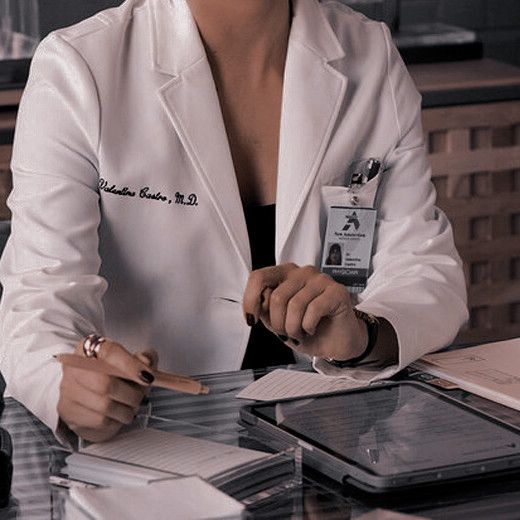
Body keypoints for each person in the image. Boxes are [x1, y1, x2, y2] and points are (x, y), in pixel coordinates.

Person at [0, 0, 468, 443]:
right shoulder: (78, 66)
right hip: (147, 444)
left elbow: (426, 270)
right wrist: (65, 379)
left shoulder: (371, 55)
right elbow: (41, 295)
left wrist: (362, 334)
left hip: (332, 436)